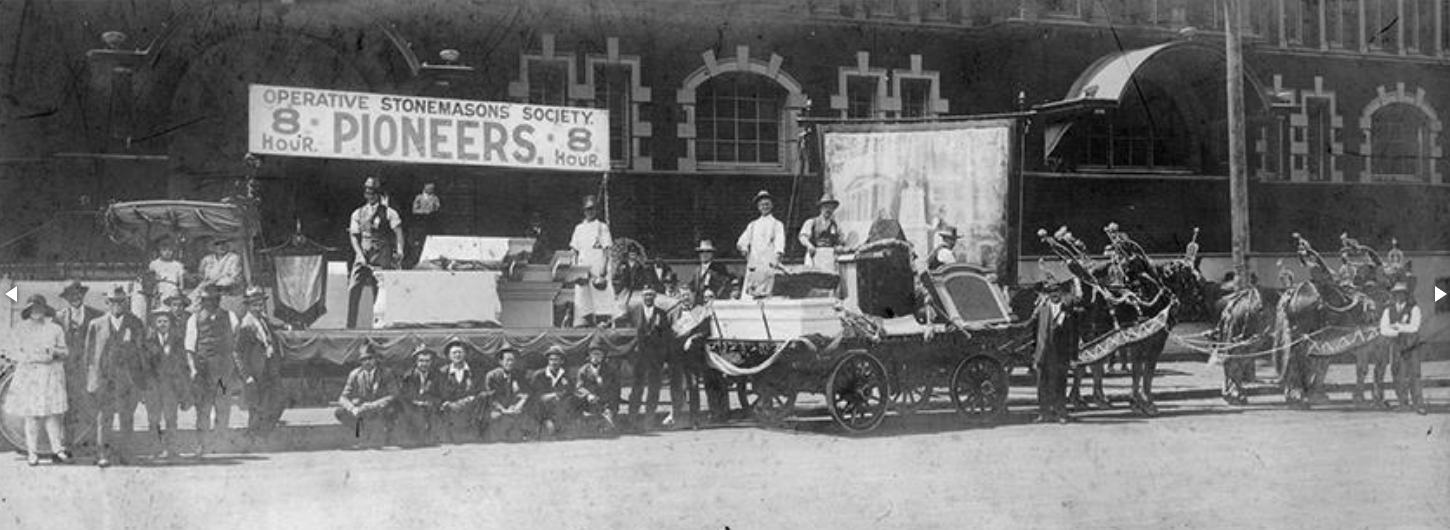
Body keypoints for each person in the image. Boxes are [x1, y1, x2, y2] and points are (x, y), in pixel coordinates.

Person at [4, 295, 73, 466]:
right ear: (28, 311)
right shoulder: (20, 329)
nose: (37, 312)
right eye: (33, 309)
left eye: (40, 308)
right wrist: (31, 356)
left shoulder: (55, 329)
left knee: (52, 415)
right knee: (32, 415)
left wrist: (51, 352)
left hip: (50, 375)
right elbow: (12, 352)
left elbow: (65, 352)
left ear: (44, 310)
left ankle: (57, 450)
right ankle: (32, 453)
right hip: (30, 376)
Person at [84, 285, 147, 467]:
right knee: (105, 418)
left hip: (128, 380)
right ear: (107, 303)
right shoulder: (96, 325)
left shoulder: (135, 323)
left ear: (126, 302)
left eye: (121, 301)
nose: (117, 305)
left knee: (127, 417)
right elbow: (89, 356)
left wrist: (141, 382)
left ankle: (126, 454)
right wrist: (91, 380)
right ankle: (103, 454)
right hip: (105, 379)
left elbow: (142, 353)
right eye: (113, 301)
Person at [184, 284, 241, 457]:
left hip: (223, 370)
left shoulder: (230, 316)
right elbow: (189, 347)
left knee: (223, 405)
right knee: (203, 408)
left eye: (213, 299)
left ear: (218, 300)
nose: (210, 303)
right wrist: (193, 368)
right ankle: (203, 444)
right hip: (203, 370)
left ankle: (220, 442)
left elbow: (235, 337)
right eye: (206, 300)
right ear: (202, 301)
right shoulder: (194, 319)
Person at [348, 176, 406, 329]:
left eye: (373, 192)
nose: (370, 196)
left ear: (379, 194)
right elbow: (354, 236)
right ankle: (350, 325)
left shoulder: (389, 212)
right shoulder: (358, 213)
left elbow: (398, 232)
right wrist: (359, 255)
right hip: (363, 253)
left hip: (382, 254)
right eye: (367, 192)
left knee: (380, 290)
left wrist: (400, 250)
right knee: (354, 288)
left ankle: (380, 326)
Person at [233, 287, 286, 439]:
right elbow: (236, 352)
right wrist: (246, 375)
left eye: (260, 304)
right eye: (255, 304)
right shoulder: (245, 325)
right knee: (257, 407)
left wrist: (284, 326)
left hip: (269, 367)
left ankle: (262, 433)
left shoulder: (261, 319)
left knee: (279, 401)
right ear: (248, 306)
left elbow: (269, 327)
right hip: (256, 371)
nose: (258, 307)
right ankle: (253, 438)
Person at [140, 309, 191, 459]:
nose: (162, 324)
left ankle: (171, 449)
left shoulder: (177, 341)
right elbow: (145, 366)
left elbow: (182, 365)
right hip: (153, 387)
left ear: (170, 324)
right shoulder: (148, 341)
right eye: (159, 322)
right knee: (153, 419)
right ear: (155, 324)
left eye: (165, 321)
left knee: (171, 418)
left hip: (171, 387)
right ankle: (155, 449)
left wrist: (182, 388)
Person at [55, 280, 101, 440]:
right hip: (68, 371)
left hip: (89, 369)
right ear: (66, 298)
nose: (75, 297)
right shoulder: (59, 317)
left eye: (78, 294)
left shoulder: (96, 315)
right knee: (69, 407)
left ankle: (93, 442)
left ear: (83, 295)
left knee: (91, 405)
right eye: (71, 295)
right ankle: (69, 443)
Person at [621, 287, 671, 429]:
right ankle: (632, 419)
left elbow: (665, 337)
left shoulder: (662, 313)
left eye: (651, 294)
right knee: (637, 387)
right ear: (642, 297)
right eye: (646, 295)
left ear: (655, 297)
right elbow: (625, 328)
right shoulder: (633, 311)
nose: (648, 297)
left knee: (654, 388)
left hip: (655, 358)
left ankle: (649, 419)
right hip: (638, 357)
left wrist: (664, 357)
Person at [1031, 281, 1079, 424]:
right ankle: (1043, 413)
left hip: (1060, 355)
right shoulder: (1042, 310)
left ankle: (1061, 413)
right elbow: (1034, 333)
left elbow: (1074, 336)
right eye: (1051, 292)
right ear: (1048, 294)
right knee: (1042, 385)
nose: (1054, 294)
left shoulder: (1068, 311)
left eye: (1057, 291)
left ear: (1061, 293)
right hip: (1043, 354)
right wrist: (1034, 354)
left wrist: (1074, 358)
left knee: (1060, 384)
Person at [334, 344, 398, 448]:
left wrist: (373, 405)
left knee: (393, 409)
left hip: (380, 407)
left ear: (375, 359)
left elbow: (393, 394)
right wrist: (353, 409)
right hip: (362, 409)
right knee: (340, 412)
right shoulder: (354, 374)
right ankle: (361, 435)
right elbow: (343, 397)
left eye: (370, 359)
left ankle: (387, 438)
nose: (367, 362)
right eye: (363, 359)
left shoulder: (386, 373)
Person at [569, 195, 616, 326]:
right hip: (583, 269)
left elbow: (607, 250)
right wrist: (575, 268)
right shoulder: (579, 228)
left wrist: (603, 268)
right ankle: (584, 323)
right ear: (583, 211)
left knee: (601, 299)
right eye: (588, 209)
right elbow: (574, 250)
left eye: (593, 209)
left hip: (598, 269)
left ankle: (603, 323)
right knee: (583, 300)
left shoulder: (602, 227)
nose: (590, 212)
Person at [1380, 282, 1425, 415]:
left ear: (1406, 295)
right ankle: (1403, 403)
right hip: (1396, 347)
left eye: (1402, 293)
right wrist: (1397, 330)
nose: (1399, 296)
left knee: (1414, 375)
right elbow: (1383, 329)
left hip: (1412, 347)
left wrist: (1398, 327)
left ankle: (1418, 404)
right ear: (1393, 295)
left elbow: (1414, 327)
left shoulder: (1414, 309)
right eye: (1397, 293)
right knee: (1397, 375)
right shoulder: (1388, 310)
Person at [737, 190, 785, 298]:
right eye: (762, 205)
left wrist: (777, 257)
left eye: (767, 204)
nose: (764, 207)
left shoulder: (777, 224)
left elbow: (780, 243)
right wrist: (745, 251)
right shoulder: (753, 225)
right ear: (758, 207)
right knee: (751, 295)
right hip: (754, 264)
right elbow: (741, 242)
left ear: (771, 205)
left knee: (767, 295)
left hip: (769, 263)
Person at [438, 340, 486, 443]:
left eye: (460, 352)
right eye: (454, 353)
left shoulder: (475, 370)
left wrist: (468, 399)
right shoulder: (442, 372)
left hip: (471, 406)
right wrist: (449, 403)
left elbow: (480, 389)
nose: (457, 355)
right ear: (449, 356)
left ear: (465, 354)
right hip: (451, 408)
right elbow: (440, 391)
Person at [484, 348, 535, 442]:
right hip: (497, 409)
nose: (510, 363)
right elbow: (490, 398)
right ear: (500, 361)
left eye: (512, 360)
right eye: (507, 360)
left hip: (513, 409)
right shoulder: (492, 376)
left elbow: (526, 393)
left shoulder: (518, 374)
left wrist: (518, 405)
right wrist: (503, 410)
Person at [396, 348, 443, 445]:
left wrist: (431, 402)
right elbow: (403, 395)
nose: (424, 364)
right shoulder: (408, 376)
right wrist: (416, 403)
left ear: (431, 362)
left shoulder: (437, 375)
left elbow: (440, 393)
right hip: (411, 406)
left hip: (430, 405)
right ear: (416, 362)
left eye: (427, 361)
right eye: (421, 361)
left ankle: (431, 439)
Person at [530, 346, 577, 439]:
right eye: (551, 359)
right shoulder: (538, 376)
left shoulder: (567, 376)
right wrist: (545, 420)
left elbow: (570, 395)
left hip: (562, 417)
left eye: (556, 360)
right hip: (542, 416)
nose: (553, 362)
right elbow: (534, 399)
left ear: (561, 361)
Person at [575, 345, 619, 432]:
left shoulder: (610, 370)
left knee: (608, 428)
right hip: (589, 402)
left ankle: (606, 419)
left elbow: (615, 388)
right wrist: (588, 395)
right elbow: (579, 387)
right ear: (589, 356)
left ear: (603, 357)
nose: (596, 357)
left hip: (605, 402)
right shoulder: (583, 370)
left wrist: (608, 402)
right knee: (587, 426)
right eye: (593, 354)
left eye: (599, 355)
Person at [798, 193, 842, 270]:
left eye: (831, 208)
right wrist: (809, 245)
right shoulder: (812, 222)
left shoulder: (835, 225)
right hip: (815, 254)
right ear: (821, 208)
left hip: (829, 257)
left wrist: (838, 247)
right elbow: (802, 236)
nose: (828, 210)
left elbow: (838, 241)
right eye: (826, 207)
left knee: (829, 278)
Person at [689, 240, 733, 305]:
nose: (704, 254)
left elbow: (724, 285)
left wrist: (715, 296)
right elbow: (692, 287)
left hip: (714, 305)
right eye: (702, 252)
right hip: (698, 307)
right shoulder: (697, 271)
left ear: (712, 254)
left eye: (707, 252)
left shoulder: (719, 269)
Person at [148, 240, 186, 305]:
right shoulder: (154, 264)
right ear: (160, 251)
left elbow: (181, 283)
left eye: (170, 250)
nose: (167, 252)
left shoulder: (178, 265)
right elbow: (150, 281)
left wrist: (180, 293)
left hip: (173, 292)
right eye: (164, 250)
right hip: (159, 291)